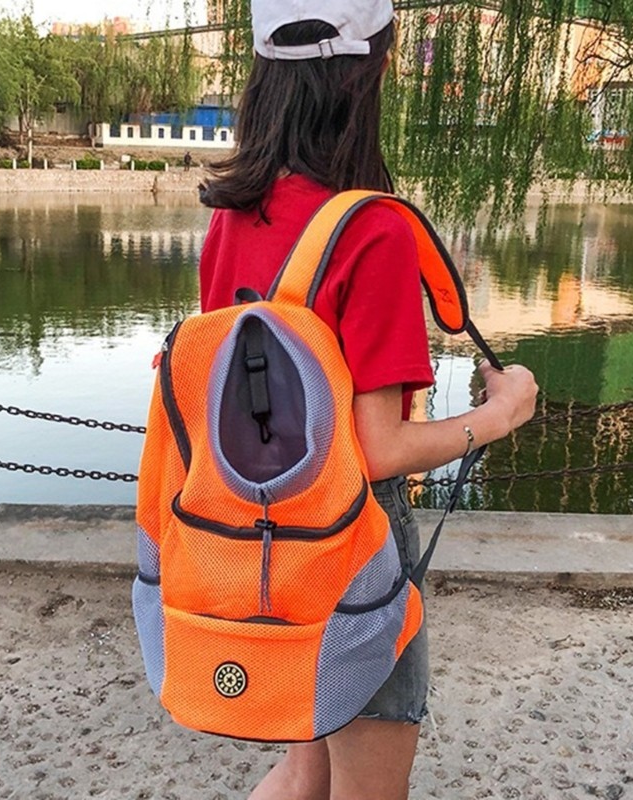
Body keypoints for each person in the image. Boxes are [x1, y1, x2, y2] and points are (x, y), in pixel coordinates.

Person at [197, 2, 538, 798]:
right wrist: (500, 413)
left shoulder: (232, 219)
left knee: (304, 765)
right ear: (370, 73)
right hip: (354, 542)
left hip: (261, 540)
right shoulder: (371, 231)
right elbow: (377, 447)